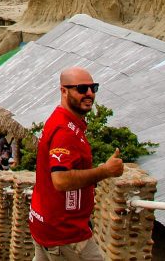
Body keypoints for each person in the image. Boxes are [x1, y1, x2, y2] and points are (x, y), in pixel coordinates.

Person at [30, 67, 124, 261]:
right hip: (65, 233)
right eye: (81, 89)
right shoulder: (64, 130)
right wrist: (105, 171)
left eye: (93, 88)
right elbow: (61, 180)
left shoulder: (64, 121)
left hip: (46, 224)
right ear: (64, 91)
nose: (89, 93)